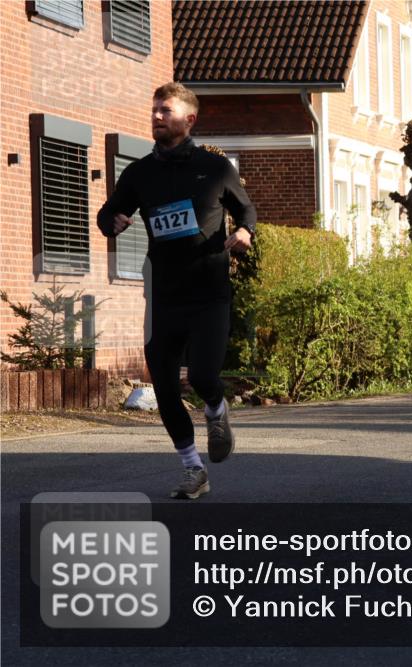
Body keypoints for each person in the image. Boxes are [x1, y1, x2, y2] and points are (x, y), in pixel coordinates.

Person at [97, 83, 256, 500]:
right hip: (164, 294)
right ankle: (193, 469)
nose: (156, 116)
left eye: (165, 110)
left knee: (203, 375)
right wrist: (110, 221)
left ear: (189, 118)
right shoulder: (139, 173)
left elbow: (246, 209)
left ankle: (216, 409)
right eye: (153, 110)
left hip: (209, 291)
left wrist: (244, 231)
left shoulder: (216, 168)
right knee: (165, 387)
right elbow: (109, 211)